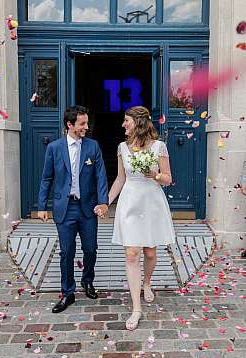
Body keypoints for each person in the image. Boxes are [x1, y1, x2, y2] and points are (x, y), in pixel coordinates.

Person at [108, 106, 175, 330]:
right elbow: (120, 179)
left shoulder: (159, 147)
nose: (123, 125)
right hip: (130, 201)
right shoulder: (122, 147)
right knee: (132, 252)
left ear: (139, 123)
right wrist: (105, 202)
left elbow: (167, 178)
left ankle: (147, 282)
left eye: (126, 121)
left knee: (150, 252)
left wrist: (153, 174)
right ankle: (136, 307)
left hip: (152, 201)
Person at [38, 105, 108, 313]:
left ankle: (87, 281)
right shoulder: (54, 148)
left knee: (90, 249)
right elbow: (46, 178)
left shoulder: (93, 146)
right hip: (64, 208)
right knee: (66, 252)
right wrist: (42, 206)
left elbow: (101, 176)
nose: (86, 127)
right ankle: (68, 293)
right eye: (82, 124)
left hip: (87, 208)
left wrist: (103, 202)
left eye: (87, 123)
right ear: (70, 125)